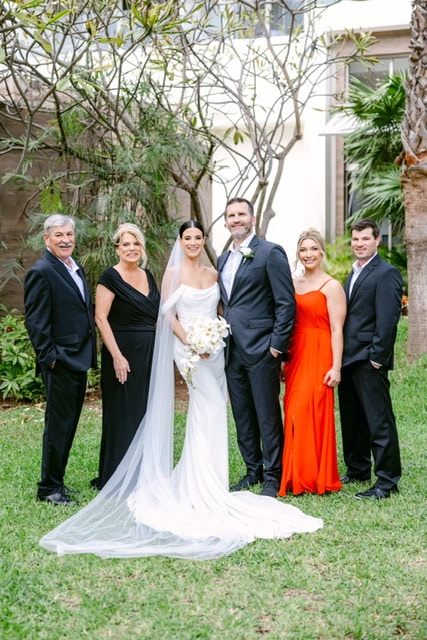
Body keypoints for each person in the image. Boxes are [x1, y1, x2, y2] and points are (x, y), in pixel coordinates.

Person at [39, 220, 322, 560]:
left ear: (204, 241)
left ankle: (212, 480)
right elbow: (166, 314)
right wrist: (192, 341)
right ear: (180, 241)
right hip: (189, 349)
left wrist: (214, 337)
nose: (192, 242)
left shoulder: (215, 273)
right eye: (187, 237)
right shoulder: (171, 273)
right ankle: (199, 484)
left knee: (214, 411)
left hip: (215, 351)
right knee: (212, 406)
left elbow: (223, 310)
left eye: (198, 237)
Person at [217, 197, 295, 498]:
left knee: (266, 414)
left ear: (252, 218)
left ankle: (274, 477)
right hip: (231, 349)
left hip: (262, 349)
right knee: (242, 414)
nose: (236, 219)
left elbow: (285, 303)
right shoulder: (223, 258)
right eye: (230, 215)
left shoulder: (270, 253)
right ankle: (253, 470)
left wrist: (276, 346)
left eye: (241, 214)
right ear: (226, 221)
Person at [24, 214, 97, 506]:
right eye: (59, 235)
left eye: (69, 234)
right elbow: (36, 322)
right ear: (47, 239)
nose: (65, 239)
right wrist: (50, 358)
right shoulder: (42, 271)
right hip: (61, 362)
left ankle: (59, 483)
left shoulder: (73, 267)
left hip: (78, 358)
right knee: (57, 426)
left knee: (68, 425)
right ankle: (48, 488)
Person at [91, 223, 160, 490]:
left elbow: (158, 317)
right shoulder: (109, 277)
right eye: (126, 244)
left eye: (136, 244)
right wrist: (117, 356)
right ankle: (118, 476)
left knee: (145, 412)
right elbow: (100, 317)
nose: (131, 249)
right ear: (117, 249)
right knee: (123, 412)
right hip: (122, 354)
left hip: (149, 354)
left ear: (141, 247)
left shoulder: (149, 275)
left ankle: (144, 471)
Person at [338, 218, 403, 500]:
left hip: (369, 358)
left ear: (377, 240)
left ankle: (387, 480)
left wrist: (378, 357)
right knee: (353, 420)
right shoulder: (351, 274)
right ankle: (358, 468)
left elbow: (388, 319)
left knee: (379, 421)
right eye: (355, 239)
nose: (359, 244)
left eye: (365, 239)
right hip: (348, 358)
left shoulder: (386, 273)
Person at [278, 229, 346, 496]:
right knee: (292, 411)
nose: (308, 254)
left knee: (312, 412)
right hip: (296, 354)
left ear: (322, 252)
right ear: (298, 254)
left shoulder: (332, 286)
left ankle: (315, 475)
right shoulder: (292, 284)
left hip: (320, 354)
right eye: (303, 250)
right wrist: (284, 359)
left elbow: (337, 330)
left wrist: (336, 367)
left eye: (313, 249)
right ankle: (296, 474)